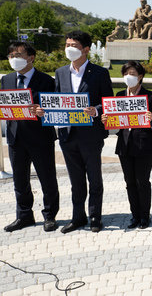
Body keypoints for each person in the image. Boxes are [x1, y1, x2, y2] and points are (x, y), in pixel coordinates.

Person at [38, 30, 113, 234]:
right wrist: (44, 110)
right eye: (67, 44)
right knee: (76, 180)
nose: (69, 48)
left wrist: (96, 110)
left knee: (94, 179)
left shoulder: (100, 73)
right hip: (67, 135)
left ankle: (95, 217)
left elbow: (108, 102)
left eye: (74, 45)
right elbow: (55, 100)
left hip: (91, 135)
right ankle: (78, 217)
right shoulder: (61, 72)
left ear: (86, 49)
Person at [1, 42, 59, 232]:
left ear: (31, 57)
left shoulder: (46, 81)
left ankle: (49, 215)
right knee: (20, 180)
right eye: (10, 56)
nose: (13, 59)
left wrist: (44, 111)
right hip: (15, 137)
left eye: (18, 55)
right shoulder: (6, 80)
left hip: (40, 137)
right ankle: (24, 215)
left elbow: (55, 108)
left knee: (47, 178)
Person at [102, 61, 152, 230]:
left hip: (144, 145)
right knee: (130, 182)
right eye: (126, 73)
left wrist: (151, 117)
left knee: (142, 181)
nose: (129, 77)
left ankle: (144, 216)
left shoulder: (150, 96)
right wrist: (106, 119)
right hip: (124, 145)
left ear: (140, 76)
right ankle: (135, 215)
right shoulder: (119, 96)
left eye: (133, 74)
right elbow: (114, 121)